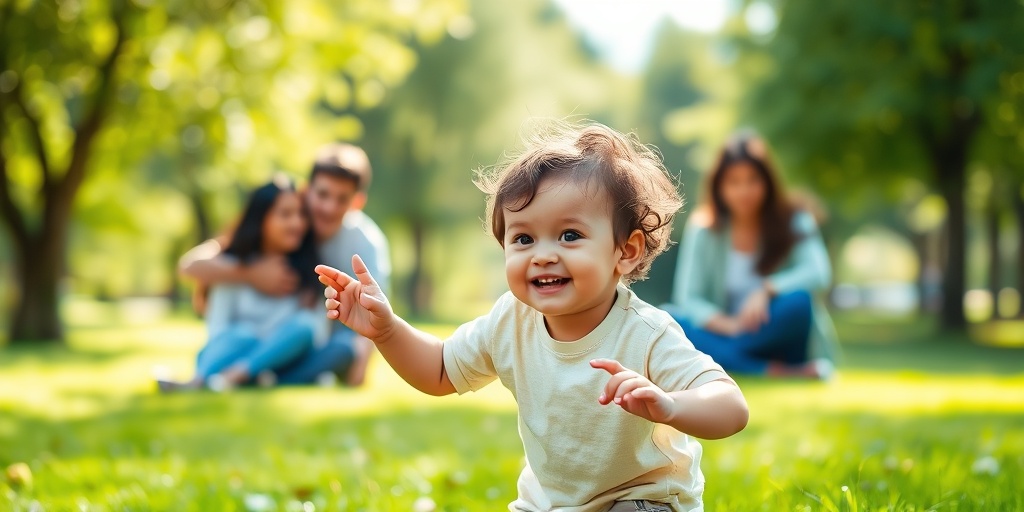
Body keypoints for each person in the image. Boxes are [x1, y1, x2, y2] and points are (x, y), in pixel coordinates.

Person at [315, 122, 748, 511]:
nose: (543, 255)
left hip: (638, 500)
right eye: (523, 238)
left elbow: (730, 406)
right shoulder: (512, 319)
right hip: (547, 504)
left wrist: (671, 405)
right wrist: (387, 331)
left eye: (570, 235)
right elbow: (441, 371)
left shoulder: (646, 334)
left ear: (626, 250)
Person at [178, 143, 390, 386]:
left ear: (357, 202)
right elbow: (190, 265)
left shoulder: (365, 243)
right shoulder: (289, 215)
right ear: (307, 190)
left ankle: (257, 376)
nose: (329, 207)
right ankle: (248, 374)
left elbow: (375, 312)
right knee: (244, 337)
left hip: (307, 347)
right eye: (322, 195)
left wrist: (360, 369)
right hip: (252, 341)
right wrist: (251, 273)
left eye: (342, 199)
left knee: (334, 343)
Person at [663, 131, 839, 379]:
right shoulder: (704, 229)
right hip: (725, 330)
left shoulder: (795, 219)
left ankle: (728, 360)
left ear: (768, 182)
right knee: (669, 317)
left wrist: (767, 290)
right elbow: (688, 298)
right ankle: (772, 370)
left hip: (775, 335)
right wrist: (729, 325)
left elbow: (819, 273)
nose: (744, 191)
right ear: (719, 186)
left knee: (799, 301)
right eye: (733, 182)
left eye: (752, 180)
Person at [160, 177, 323, 392]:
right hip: (229, 350)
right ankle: (205, 379)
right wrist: (251, 274)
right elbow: (218, 332)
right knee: (242, 335)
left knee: (305, 326)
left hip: (278, 356)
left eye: (301, 215)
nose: (297, 224)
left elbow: (309, 335)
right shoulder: (231, 267)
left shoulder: (307, 269)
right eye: (285, 214)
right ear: (261, 219)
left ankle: (235, 376)